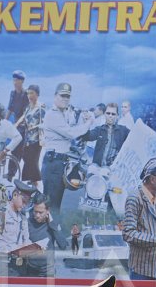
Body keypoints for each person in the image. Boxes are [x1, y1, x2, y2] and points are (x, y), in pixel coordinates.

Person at [40, 82, 91, 226]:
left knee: (55, 202)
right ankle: (49, 239)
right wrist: (88, 124)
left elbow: (72, 128)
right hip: (53, 163)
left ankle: (50, 235)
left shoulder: (62, 114)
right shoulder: (52, 115)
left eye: (68, 96)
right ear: (55, 96)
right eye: (62, 95)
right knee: (51, 204)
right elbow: (71, 133)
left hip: (59, 163)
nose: (65, 99)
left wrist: (84, 120)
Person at [122, 158, 156, 281]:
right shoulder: (134, 198)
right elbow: (128, 234)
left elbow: (152, 227)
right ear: (152, 179)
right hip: (141, 270)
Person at [77, 102, 129, 168]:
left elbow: (134, 139)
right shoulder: (99, 129)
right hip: (98, 169)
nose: (110, 116)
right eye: (108, 113)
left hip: (113, 170)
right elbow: (87, 136)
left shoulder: (123, 130)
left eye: (113, 114)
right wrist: (85, 123)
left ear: (117, 115)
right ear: (104, 114)